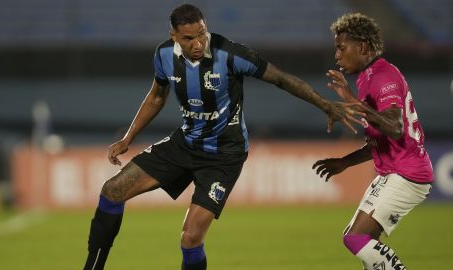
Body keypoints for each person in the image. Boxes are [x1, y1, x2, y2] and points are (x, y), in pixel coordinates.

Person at [82, 4, 361, 270]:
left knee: (190, 238)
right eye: (189, 38)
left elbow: (282, 79)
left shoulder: (231, 55)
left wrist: (326, 104)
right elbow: (157, 95)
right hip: (186, 143)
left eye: (202, 34)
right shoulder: (164, 55)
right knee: (112, 190)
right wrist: (129, 136)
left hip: (224, 156)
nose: (198, 43)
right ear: (174, 36)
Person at [312, 13, 434, 270]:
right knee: (359, 240)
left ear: (362, 47)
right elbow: (379, 140)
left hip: (407, 174)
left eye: (341, 48)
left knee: (356, 238)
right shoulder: (367, 77)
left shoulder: (383, 76)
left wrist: (351, 99)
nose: (337, 55)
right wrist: (344, 162)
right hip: (393, 172)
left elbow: (395, 128)